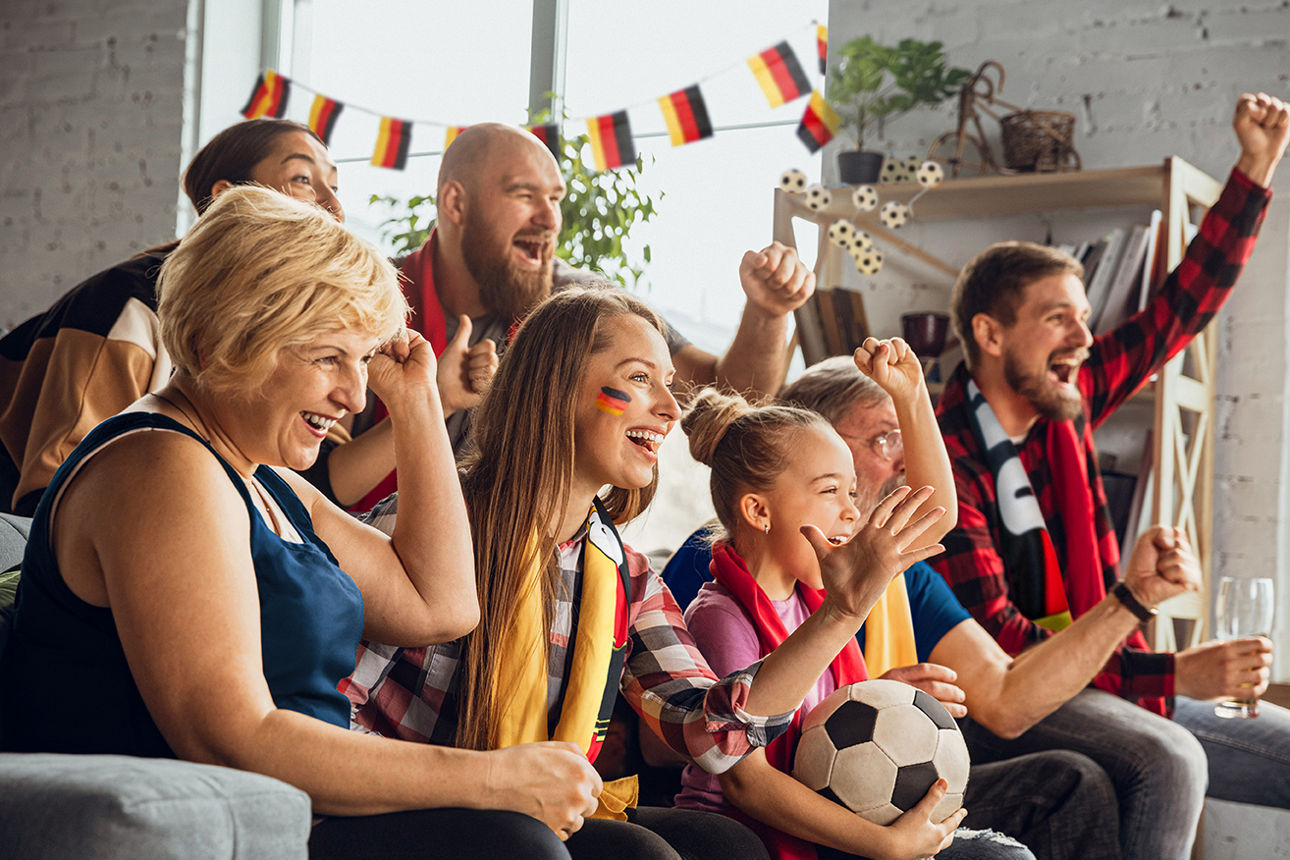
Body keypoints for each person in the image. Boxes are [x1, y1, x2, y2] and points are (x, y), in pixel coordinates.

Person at [0, 186, 607, 858]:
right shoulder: (158, 465)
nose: (352, 396)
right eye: (327, 357)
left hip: (299, 817)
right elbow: (233, 737)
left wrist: (414, 403)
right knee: (515, 846)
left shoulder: (265, 481)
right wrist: (492, 779)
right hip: (231, 823)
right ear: (215, 343)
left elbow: (443, 605)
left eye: (361, 359)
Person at [344, 287, 943, 859]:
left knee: (726, 846)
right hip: (401, 812)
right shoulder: (426, 522)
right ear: (556, 387)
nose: (671, 408)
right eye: (638, 379)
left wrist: (842, 611)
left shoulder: (623, 574)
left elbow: (710, 735)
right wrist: (475, 785)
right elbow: (333, 717)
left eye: (668, 384)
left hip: (530, 817)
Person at [932, 92, 1290, 858]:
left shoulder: (1069, 406)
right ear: (991, 335)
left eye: (1086, 317)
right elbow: (1009, 653)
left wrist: (1255, 167)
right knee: (1168, 757)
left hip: (1105, 678)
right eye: (1059, 317)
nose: (1086, 337)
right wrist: (1173, 670)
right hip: (1004, 706)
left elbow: (1176, 313)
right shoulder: (944, 454)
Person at [669, 347, 1143, 860]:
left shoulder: (823, 583)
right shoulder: (721, 616)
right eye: (831, 491)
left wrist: (912, 393)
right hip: (753, 834)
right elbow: (745, 783)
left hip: (830, 813)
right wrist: (886, 844)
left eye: (853, 491)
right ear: (759, 511)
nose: (853, 511)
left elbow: (935, 515)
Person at [0, 117, 481, 514]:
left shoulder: (306, 325)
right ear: (225, 198)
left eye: (334, 187)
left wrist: (429, 401)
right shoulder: (123, 304)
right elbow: (50, 494)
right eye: (302, 180)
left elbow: (320, 481)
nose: (333, 206)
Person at [344, 121, 816, 510]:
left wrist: (768, 313)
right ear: (455, 203)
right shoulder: (368, 301)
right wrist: (433, 399)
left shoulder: (578, 300)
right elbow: (315, 483)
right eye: (524, 195)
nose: (550, 220)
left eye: (555, 199)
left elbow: (725, 392)